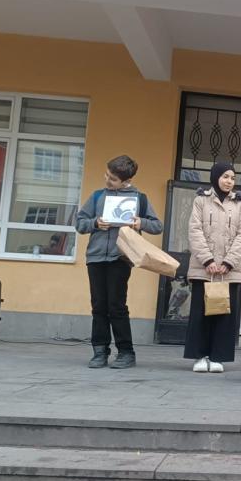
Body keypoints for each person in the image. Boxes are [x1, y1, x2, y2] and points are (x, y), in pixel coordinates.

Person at [75, 155, 162, 369]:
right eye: (107, 175)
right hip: (95, 257)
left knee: (116, 305)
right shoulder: (97, 196)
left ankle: (126, 352)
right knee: (98, 305)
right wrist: (95, 223)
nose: (107, 180)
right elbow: (80, 223)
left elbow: (157, 226)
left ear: (127, 181)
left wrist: (141, 222)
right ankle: (99, 351)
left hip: (120, 258)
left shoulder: (139, 198)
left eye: (113, 179)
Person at [183, 162, 241, 373]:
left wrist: (228, 262)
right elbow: (194, 231)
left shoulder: (239, 204)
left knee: (224, 315)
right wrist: (208, 260)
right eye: (225, 177)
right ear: (215, 177)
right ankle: (200, 357)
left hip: (229, 271)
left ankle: (218, 357)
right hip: (204, 270)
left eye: (233, 178)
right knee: (200, 314)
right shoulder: (201, 200)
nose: (229, 181)